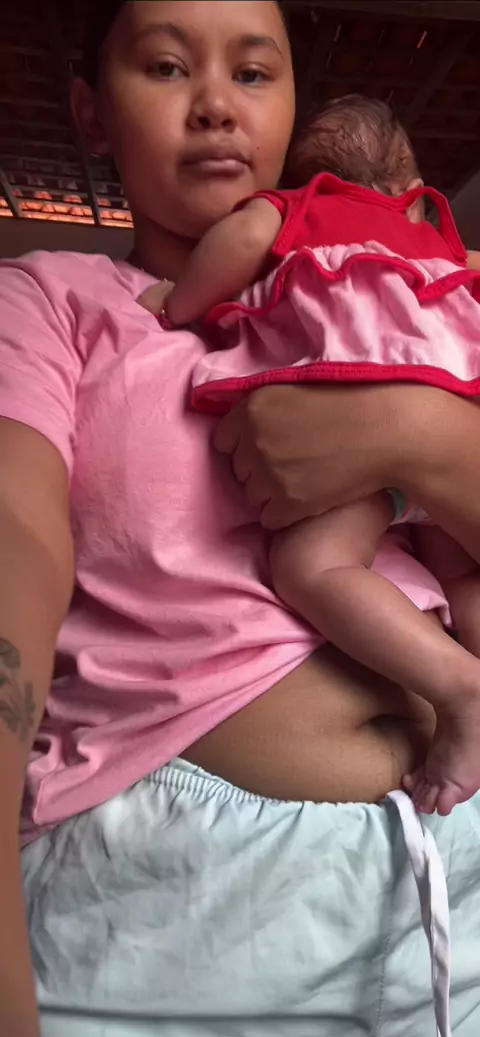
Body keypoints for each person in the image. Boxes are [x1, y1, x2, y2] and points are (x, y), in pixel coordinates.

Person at [1, 2, 480, 1037]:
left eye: (254, 73)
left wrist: (420, 437)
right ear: (91, 112)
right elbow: (15, 540)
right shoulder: (51, 301)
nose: (217, 105)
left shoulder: (386, 297)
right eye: (168, 66)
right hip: (182, 928)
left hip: (459, 891)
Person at [151, 94, 480, 818]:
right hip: (457, 417)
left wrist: (179, 305)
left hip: (353, 430)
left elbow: (235, 246)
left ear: (307, 178)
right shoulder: (433, 240)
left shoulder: (299, 208)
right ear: (412, 189)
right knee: (460, 574)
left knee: (314, 568)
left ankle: (462, 690)